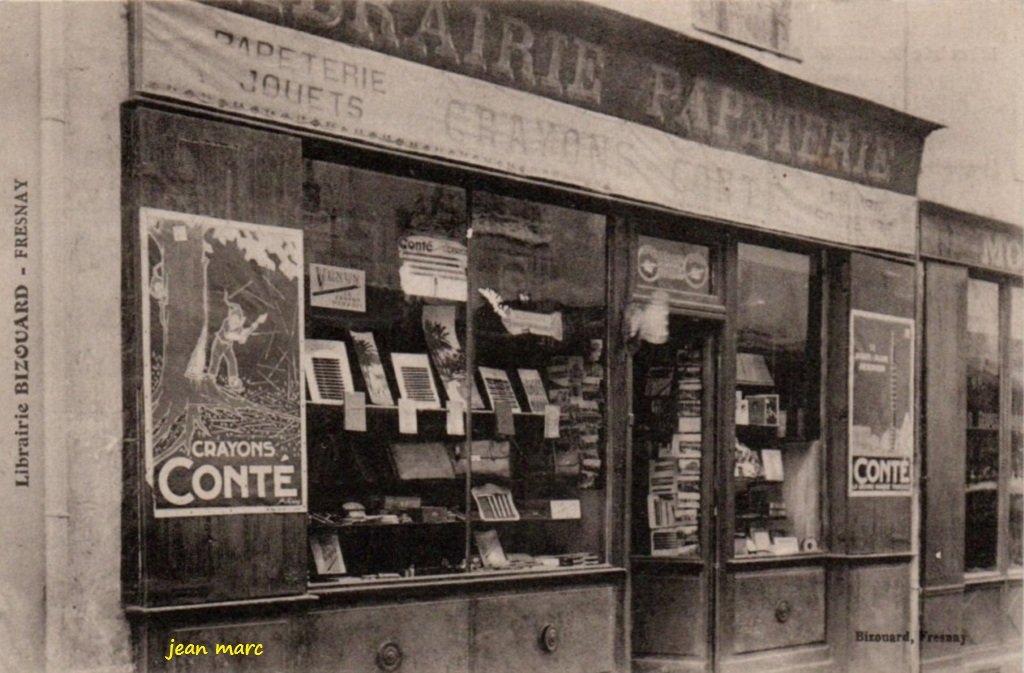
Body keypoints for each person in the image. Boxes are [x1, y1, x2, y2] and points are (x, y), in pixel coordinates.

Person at [207, 293, 266, 392]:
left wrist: (256, 323)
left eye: (236, 319)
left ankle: (233, 381)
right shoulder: (226, 323)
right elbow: (229, 335)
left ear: (240, 319)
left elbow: (243, 337)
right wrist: (240, 337)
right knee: (215, 361)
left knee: (232, 361)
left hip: (228, 346)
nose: (233, 321)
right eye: (232, 318)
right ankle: (211, 378)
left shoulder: (238, 326)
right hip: (219, 344)